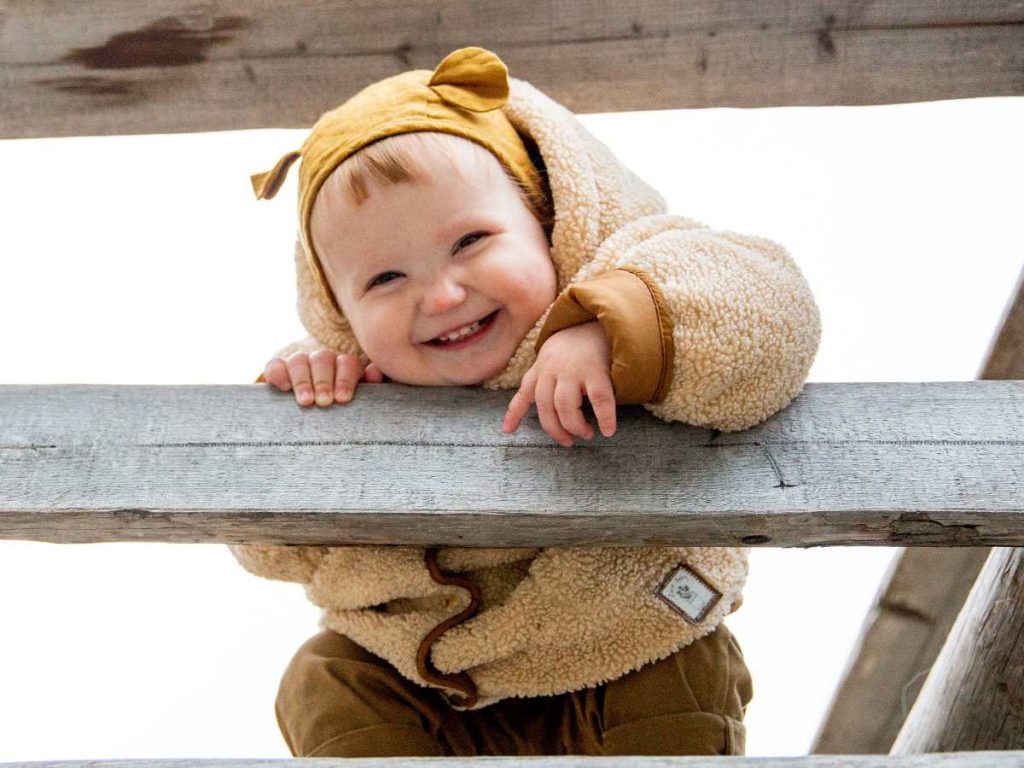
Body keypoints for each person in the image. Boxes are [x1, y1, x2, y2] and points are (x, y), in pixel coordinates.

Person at [231, 46, 821, 757]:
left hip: (625, 644)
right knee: (322, 677)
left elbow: (769, 312)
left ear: (548, 220)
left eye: (471, 241)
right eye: (385, 278)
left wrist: (610, 328)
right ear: (337, 311)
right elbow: (268, 551)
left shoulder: (633, 271)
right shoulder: (357, 382)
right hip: (431, 686)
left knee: (679, 672)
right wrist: (302, 414)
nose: (442, 295)